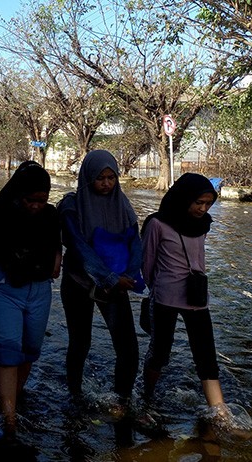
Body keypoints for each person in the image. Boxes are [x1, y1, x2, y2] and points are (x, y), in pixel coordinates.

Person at [0, 161, 62, 441]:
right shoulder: (0, 213)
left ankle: (13, 398)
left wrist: (57, 258)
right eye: (31, 200)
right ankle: (9, 422)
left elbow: (56, 241)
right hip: (4, 286)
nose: (36, 205)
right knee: (8, 351)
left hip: (39, 289)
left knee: (29, 349)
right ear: (19, 195)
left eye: (42, 200)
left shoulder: (50, 215)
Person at [140, 173, 230, 420]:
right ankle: (147, 396)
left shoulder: (204, 224)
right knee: (160, 353)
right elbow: (146, 264)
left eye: (208, 203)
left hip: (197, 297)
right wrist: (156, 289)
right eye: (198, 202)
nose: (203, 208)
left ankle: (221, 415)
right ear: (184, 198)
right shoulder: (157, 223)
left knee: (206, 355)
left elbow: (198, 259)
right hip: (165, 298)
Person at [58, 149, 143, 406]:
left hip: (117, 285)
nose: (106, 183)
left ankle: (123, 400)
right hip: (79, 283)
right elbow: (78, 245)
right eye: (100, 178)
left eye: (111, 177)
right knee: (80, 343)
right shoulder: (72, 205)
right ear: (87, 177)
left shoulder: (122, 204)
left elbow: (134, 241)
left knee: (128, 349)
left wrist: (129, 275)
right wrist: (108, 278)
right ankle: (75, 396)